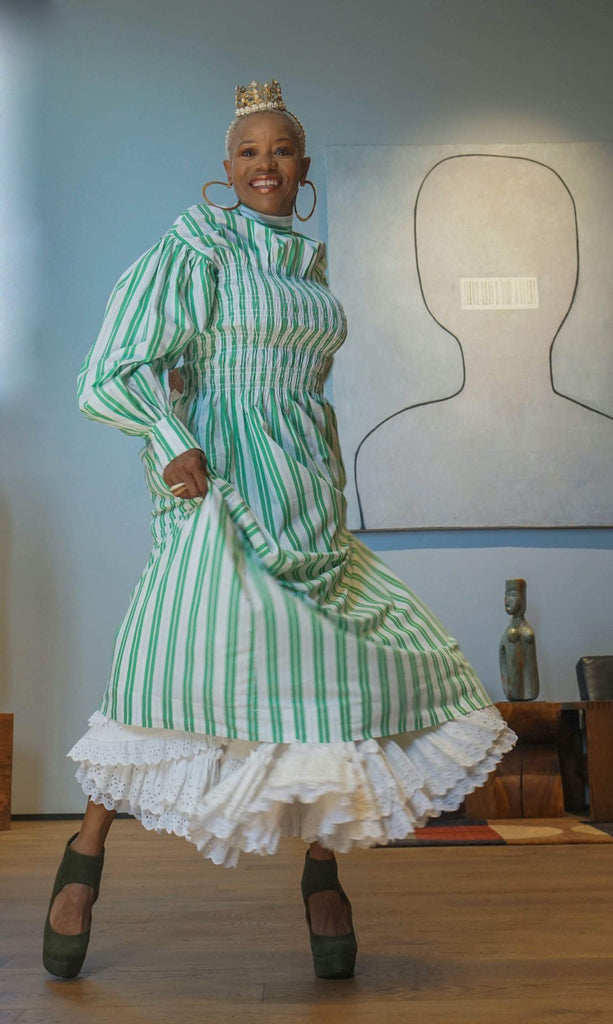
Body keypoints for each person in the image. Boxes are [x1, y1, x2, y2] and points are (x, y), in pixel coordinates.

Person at [42, 78, 518, 982]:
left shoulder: (308, 266)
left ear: (304, 171)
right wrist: (175, 438)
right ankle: (85, 858)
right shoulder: (198, 247)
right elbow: (113, 365)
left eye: (283, 151)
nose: (267, 165)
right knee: (173, 663)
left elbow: (304, 393)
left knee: (332, 668)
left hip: (303, 486)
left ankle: (321, 874)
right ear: (226, 172)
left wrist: (322, 476)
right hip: (219, 483)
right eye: (250, 152)